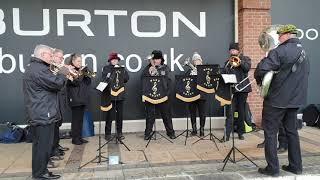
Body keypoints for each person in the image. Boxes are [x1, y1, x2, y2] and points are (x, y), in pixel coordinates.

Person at [254, 24, 309, 176]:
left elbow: (261, 70)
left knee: (270, 133)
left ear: (286, 35)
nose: (278, 38)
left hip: (276, 100)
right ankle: (296, 166)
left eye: (279, 35)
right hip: (294, 100)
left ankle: (273, 168)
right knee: (292, 132)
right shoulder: (303, 51)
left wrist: (261, 69)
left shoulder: (279, 51)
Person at [23, 44, 66, 179]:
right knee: (43, 147)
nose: (52, 57)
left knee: (39, 146)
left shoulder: (35, 68)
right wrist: (64, 73)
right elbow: (57, 83)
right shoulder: (40, 70)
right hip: (43, 113)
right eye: (50, 55)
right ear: (42, 55)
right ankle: (40, 174)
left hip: (40, 112)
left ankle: (40, 172)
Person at [141, 50, 176, 140]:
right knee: (150, 116)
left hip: (164, 96)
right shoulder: (147, 68)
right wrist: (150, 72)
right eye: (154, 59)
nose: (156, 61)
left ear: (161, 60)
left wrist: (167, 94)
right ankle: (147, 133)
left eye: (157, 59)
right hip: (151, 96)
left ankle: (171, 133)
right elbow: (143, 80)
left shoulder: (165, 68)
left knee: (166, 115)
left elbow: (169, 82)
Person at [222, 43, 252, 141]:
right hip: (231, 90)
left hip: (243, 89)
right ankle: (227, 134)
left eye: (234, 50)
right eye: (231, 50)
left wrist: (240, 62)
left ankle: (240, 133)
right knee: (230, 112)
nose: (232, 52)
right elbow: (224, 74)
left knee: (241, 111)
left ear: (238, 51)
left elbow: (247, 68)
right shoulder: (227, 62)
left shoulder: (245, 59)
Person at [102, 52, 129, 140]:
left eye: (116, 60)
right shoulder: (106, 68)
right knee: (110, 115)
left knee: (119, 115)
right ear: (110, 61)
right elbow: (105, 79)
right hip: (110, 95)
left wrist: (120, 72)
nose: (114, 61)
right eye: (113, 60)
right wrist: (114, 71)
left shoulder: (122, 68)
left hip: (120, 94)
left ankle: (119, 133)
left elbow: (126, 79)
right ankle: (108, 133)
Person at [66, 53, 92, 145]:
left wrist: (86, 74)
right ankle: (75, 139)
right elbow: (75, 83)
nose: (80, 63)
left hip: (82, 98)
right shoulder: (70, 70)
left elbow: (88, 82)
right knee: (76, 120)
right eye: (78, 61)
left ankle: (79, 137)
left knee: (80, 119)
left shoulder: (81, 70)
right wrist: (81, 73)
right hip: (75, 98)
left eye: (80, 61)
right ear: (73, 61)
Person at [50, 48, 69, 161]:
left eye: (62, 57)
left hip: (59, 99)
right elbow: (55, 83)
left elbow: (62, 83)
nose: (62, 59)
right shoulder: (50, 68)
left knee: (57, 125)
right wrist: (63, 71)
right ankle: (53, 149)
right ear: (53, 56)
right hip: (53, 101)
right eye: (60, 57)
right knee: (53, 127)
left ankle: (56, 145)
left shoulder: (57, 68)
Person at [186, 52, 206, 136]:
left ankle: (202, 130)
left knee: (202, 113)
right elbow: (186, 81)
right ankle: (194, 130)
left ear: (201, 61)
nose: (196, 62)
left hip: (202, 95)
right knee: (192, 113)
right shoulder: (189, 71)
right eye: (194, 60)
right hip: (192, 95)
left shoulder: (205, 71)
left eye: (198, 60)